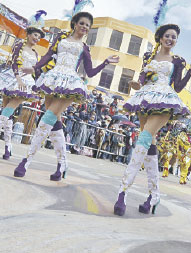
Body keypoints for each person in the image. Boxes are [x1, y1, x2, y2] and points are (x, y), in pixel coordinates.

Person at [14, 10, 119, 179]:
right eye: (82, 23)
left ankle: (26, 161)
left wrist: (106, 62)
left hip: (71, 83)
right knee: (55, 122)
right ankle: (62, 164)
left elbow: (90, 72)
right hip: (53, 79)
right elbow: (48, 56)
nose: (85, 27)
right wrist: (34, 68)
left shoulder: (84, 48)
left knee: (47, 118)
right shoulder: (60, 39)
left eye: (88, 25)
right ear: (75, 23)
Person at [114, 24, 191, 216]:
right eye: (167, 36)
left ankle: (123, 192)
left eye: (174, 37)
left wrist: (190, 72)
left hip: (165, 99)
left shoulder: (178, 61)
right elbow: (143, 78)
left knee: (143, 139)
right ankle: (154, 196)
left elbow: (177, 87)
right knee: (149, 143)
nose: (170, 39)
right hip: (145, 98)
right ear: (160, 37)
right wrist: (136, 83)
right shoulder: (148, 56)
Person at [0, 11, 45, 160]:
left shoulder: (36, 54)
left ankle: (8, 148)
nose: (37, 38)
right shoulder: (19, 45)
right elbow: (14, 62)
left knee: (6, 113)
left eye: (39, 36)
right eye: (35, 35)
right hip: (13, 79)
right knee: (7, 115)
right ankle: (8, 147)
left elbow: (35, 71)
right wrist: (18, 78)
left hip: (25, 84)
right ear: (29, 34)